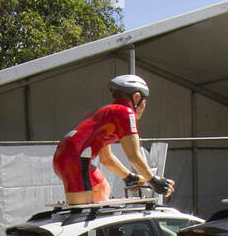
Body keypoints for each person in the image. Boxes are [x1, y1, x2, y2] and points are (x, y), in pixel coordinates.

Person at [52, 75, 173, 205]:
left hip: (68, 158)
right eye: (144, 102)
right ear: (136, 97)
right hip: (76, 160)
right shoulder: (125, 112)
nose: (144, 107)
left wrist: (128, 177)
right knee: (82, 212)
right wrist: (154, 180)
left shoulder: (105, 112)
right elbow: (134, 156)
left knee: (102, 188)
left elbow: (106, 158)